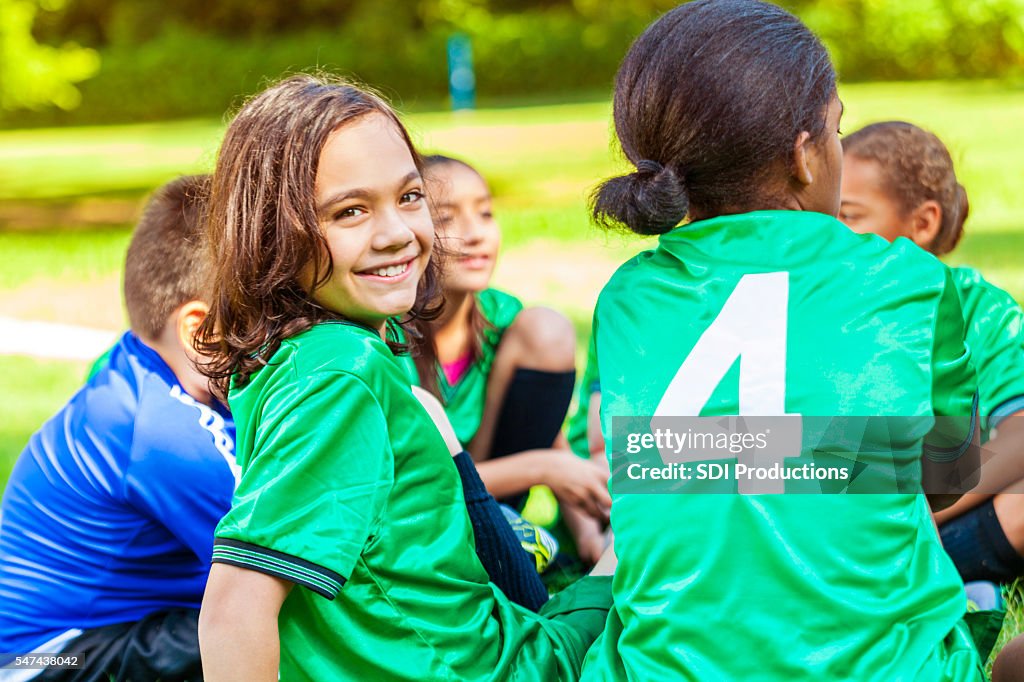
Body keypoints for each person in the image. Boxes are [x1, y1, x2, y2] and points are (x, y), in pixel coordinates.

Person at [579, 1, 988, 679]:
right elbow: (947, 480)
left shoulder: (629, 298)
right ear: (803, 157)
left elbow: (672, 472)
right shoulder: (911, 281)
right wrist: (833, 461)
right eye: (836, 129)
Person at [195, 74, 615, 682]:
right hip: (483, 669)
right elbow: (235, 607)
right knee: (678, 529)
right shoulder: (341, 371)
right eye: (351, 211)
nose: (398, 233)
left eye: (410, 197)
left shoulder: (312, 354)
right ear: (272, 231)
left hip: (479, 639)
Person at [0, 175, 236, 682]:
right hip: (41, 660)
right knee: (252, 614)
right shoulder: (162, 433)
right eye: (266, 308)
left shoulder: (145, 363)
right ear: (199, 332)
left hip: (90, 638)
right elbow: (282, 554)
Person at [840, 121, 1024, 583]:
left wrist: (920, 512)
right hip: (844, 525)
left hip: (945, 518)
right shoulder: (826, 314)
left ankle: (948, 577)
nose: (832, 235)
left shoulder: (983, 311)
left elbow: (1020, 442)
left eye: (849, 217)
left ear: (923, 223)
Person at [405, 154, 609, 564]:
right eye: (446, 219)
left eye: (485, 213)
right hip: (419, 509)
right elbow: (415, 487)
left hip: (488, 486)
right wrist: (544, 468)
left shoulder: (504, 318)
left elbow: (548, 435)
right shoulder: (386, 337)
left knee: (547, 327)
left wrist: (591, 538)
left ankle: (500, 527)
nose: (476, 233)